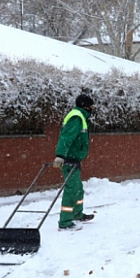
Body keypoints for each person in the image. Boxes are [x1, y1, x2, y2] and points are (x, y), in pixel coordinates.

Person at [53, 93, 95, 231]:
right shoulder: (76, 117)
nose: (93, 108)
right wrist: (60, 155)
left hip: (74, 158)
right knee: (71, 190)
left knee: (78, 189)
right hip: (68, 159)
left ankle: (77, 214)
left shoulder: (80, 116)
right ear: (85, 106)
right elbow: (66, 137)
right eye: (91, 106)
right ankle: (65, 222)